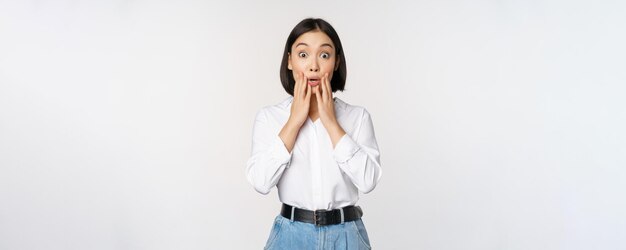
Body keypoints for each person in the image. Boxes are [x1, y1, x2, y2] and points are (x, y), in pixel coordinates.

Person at [246, 18, 382, 250]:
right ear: (289, 61)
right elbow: (260, 182)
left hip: (347, 234)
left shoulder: (357, 117)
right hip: (291, 235)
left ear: (336, 62)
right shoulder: (270, 118)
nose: (313, 66)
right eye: (303, 55)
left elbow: (368, 181)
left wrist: (331, 123)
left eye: (324, 55)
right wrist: (294, 121)